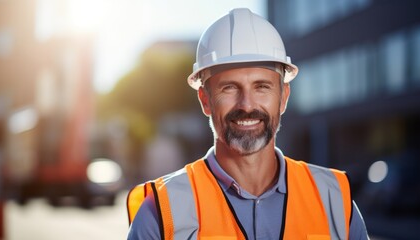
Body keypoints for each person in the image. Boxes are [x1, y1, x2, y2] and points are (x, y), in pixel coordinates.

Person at [126, 8, 369, 240]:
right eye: (229, 88)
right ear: (205, 100)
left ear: (283, 97)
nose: (247, 104)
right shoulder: (161, 212)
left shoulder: (335, 201)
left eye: (262, 86)